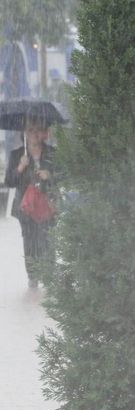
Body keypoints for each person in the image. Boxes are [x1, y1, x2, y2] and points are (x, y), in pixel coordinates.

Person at [5, 116, 56, 288]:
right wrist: (20, 167)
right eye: (30, 130)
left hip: (48, 205)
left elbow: (66, 175)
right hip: (25, 207)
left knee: (49, 240)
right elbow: (9, 182)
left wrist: (50, 175)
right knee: (30, 240)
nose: (34, 133)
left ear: (43, 133)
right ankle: (33, 276)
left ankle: (49, 275)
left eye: (37, 129)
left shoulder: (52, 153)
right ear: (24, 133)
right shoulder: (17, 155)